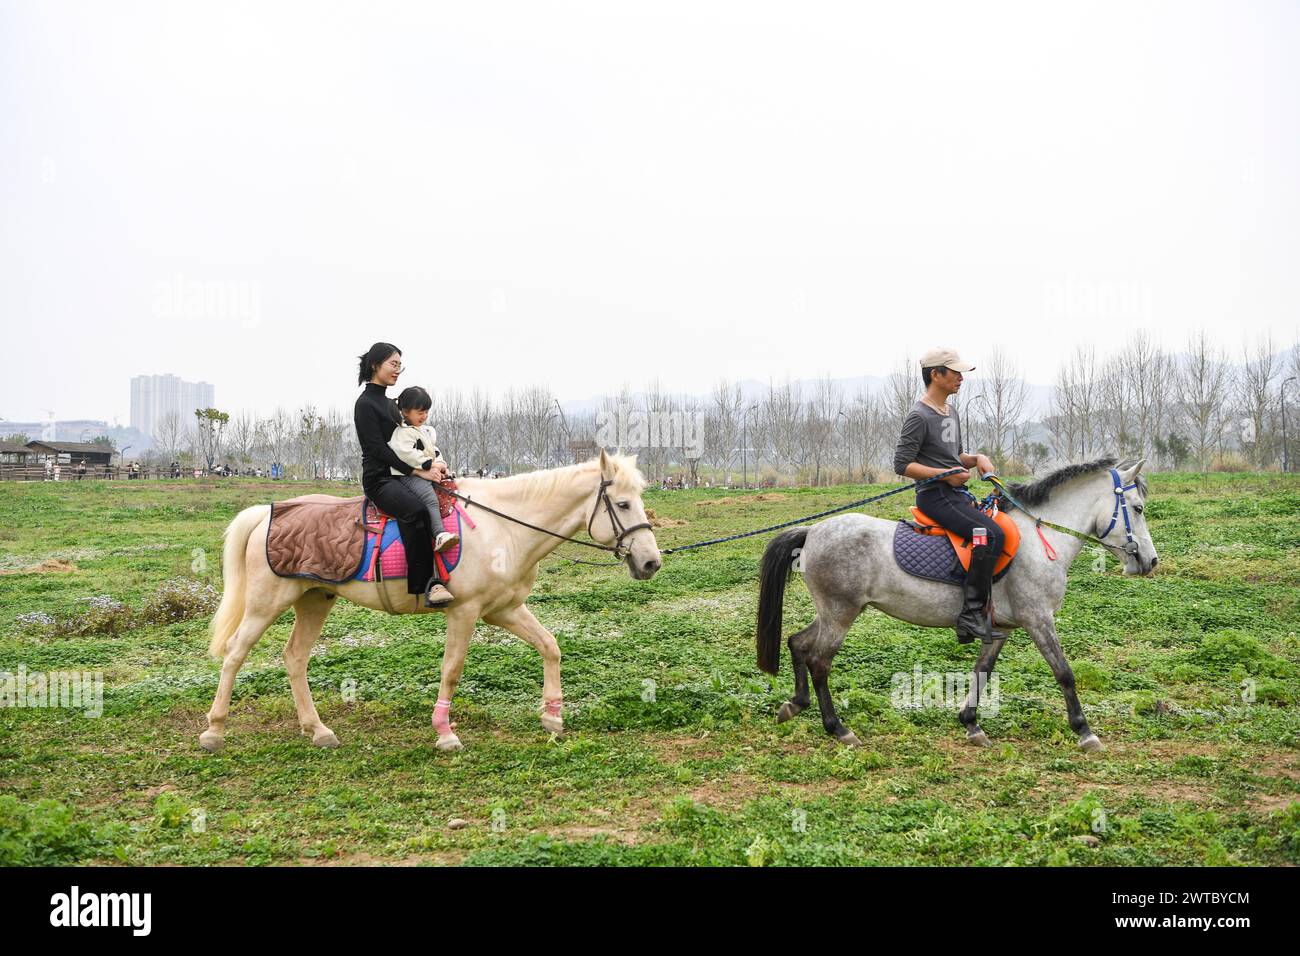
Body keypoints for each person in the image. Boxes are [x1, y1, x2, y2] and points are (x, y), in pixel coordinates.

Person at [893, 347, 1004, 644]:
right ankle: (970, 615)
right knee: (988, 535)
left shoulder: (950, 412)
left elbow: (954, 455)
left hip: (956, 494)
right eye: (954, 372)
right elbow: (902, 465)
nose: (961, 378)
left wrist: (977, 459)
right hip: (934, 496)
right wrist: (944, 475)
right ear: (936, 375)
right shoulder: (918, 415)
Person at [353, 342, 441, 607]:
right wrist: (417, 470)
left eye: (399, 365)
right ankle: (427, 584)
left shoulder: (394, 404)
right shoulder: (365, 404)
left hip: (402, 475)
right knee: (415, 510)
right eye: (393, 364)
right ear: (374, 365)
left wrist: (432, 464)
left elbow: (411, 440)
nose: (397, 370)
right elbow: (376, 449)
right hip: (380, 479)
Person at [388, 385, 459, 604]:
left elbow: (433, 450)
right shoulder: (401, 433)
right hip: (408, 476)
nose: (424, 416)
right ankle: (439, 534)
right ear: (405, 411)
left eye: (426, 411)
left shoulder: (426, 431)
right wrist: (429, 465)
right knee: (428, 498)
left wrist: (440, 463)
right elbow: (406, 453)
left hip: (426, 472)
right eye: (419, 412)